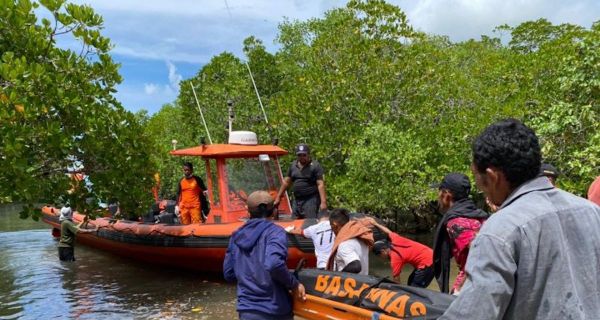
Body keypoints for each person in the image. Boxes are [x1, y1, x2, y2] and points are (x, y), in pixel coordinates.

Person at [440, 119, 600, 319]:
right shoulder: (591, 212)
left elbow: (474, 314)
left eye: (477, 177)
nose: (480, 188)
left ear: (492, 176)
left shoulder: (499, 230)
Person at [223, 191, 306, 320]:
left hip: (247, 310)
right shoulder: (275, 232)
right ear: (273, 211)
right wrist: (294, 284)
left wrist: (249, 277)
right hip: (274, 309)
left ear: (248, 212)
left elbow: (228, 273)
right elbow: (274, 264)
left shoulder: (236, 236)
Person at [432, 173, 489, 294]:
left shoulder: (456, 222)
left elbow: (481, 252)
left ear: (447, 194)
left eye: (439, 191)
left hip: (470, 285)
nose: (438, 196)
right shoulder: (478, 214)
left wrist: (459, 289)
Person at [367, 217, 434, 288]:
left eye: (379, 256)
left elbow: (396, 280)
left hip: (428, 262)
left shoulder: (395, 258)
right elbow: (388, 231)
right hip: (430, 255)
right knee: (411, 282)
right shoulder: (395, 239)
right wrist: (375, 224)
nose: (381, 258)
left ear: (383, 251)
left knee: (415, 288)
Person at [274, 144, 327, 219]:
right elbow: (286, 182)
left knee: (310, 222)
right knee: (294, 221)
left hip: (310, 199)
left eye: (304, 155)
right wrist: (278, 197)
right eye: (299, 155)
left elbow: (320, 184)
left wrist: (323, 202)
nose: (302, 157)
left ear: (308, 154)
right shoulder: (293, 165)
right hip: (297, 199)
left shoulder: (315, 166)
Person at [326, 208, 372, 275]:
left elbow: (356, 266)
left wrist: (337, 277)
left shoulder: (344, 245)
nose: (332, 231)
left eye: (331, 227)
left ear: (335, 225)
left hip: (348, 284)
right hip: (363, 283)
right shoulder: (362, 241)